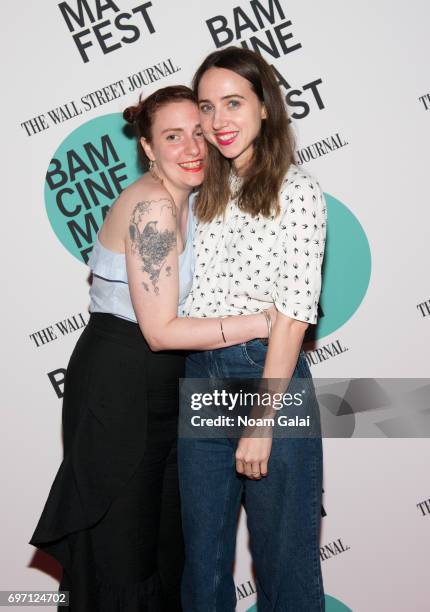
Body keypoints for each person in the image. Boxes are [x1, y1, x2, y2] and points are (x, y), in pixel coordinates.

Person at [30, 85, 275, 612]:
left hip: (163, 386)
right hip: (121, 388)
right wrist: (261, 322)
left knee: (166, 552)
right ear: (147, 146)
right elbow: (161, 330)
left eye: (198, 133)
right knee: (124, 553)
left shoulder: (191, 205)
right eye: (172, 136)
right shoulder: (154, 208)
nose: (191, 147)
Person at [178, 48, 327, 611]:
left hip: (269, 379)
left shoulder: (298, 191)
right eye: (208, 107)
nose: (220, 121)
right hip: (201, 381)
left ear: (265, 107)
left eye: (234, 103)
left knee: (285, 567)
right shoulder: (202, 197)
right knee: (203, 570)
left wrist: (262, 422)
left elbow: (293, 315)